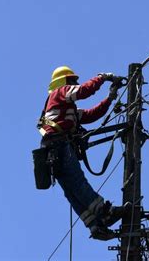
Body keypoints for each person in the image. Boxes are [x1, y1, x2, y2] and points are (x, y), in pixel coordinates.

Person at [37, 66, 130, 240]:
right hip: (59, 145)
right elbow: (84, 91)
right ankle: (106, 212)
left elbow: (91, 114)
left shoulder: (63, 108)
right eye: (73, 80)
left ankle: (95, 226)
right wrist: (103, 77)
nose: (76, 83)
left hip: (51, 151)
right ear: (64, 81)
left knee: (72, 191)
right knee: (78, 183)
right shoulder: (60, 92)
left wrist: (110, 98)